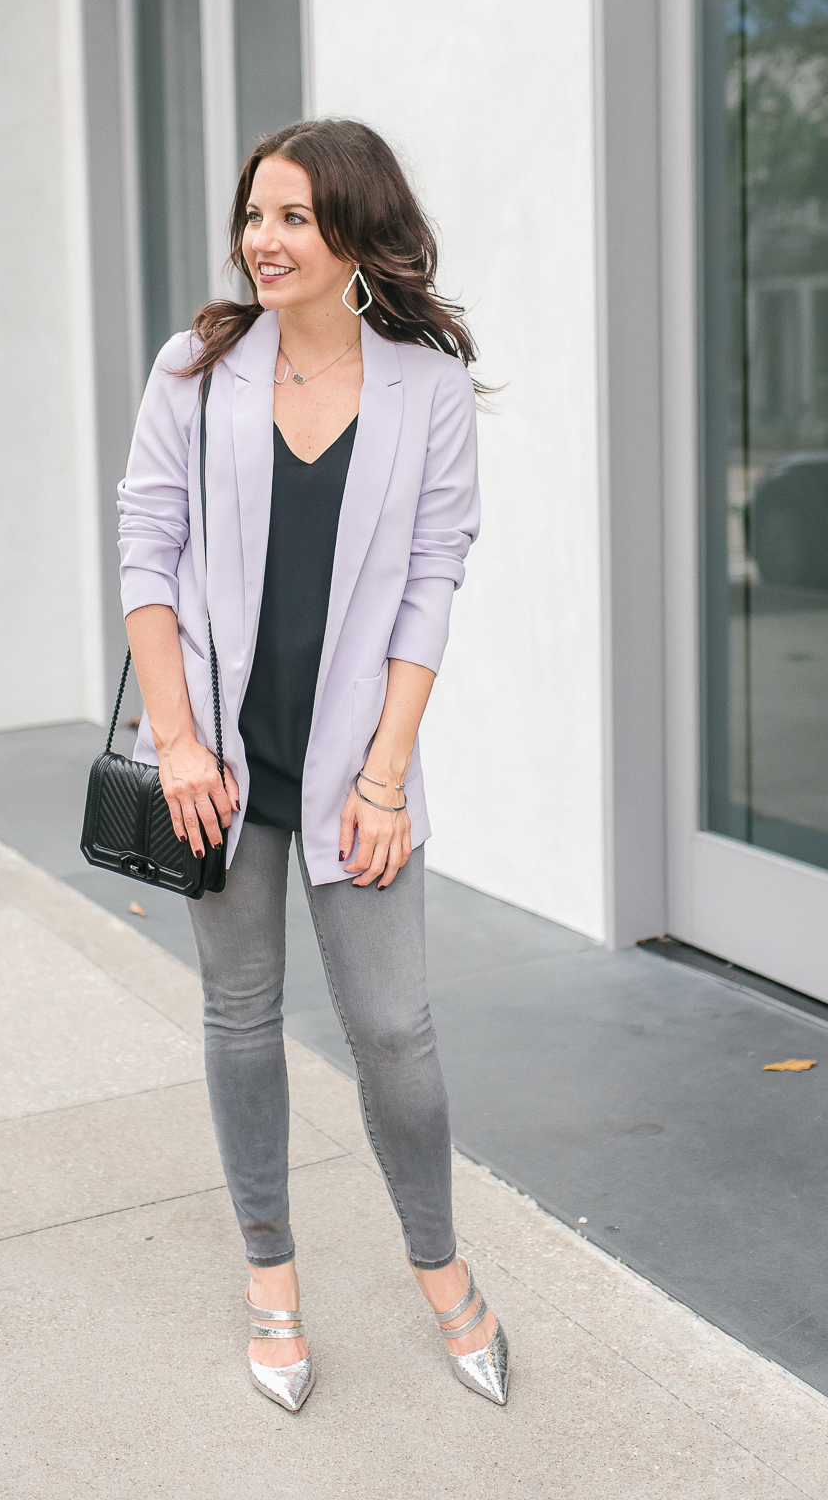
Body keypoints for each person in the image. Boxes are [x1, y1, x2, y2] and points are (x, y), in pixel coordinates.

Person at [119, 118, 506, 1411]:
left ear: (352, 232)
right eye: (253, 215)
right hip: (217, 769)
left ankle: (439, 1267)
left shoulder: (428, 387)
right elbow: (146, 554)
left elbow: (431, 579)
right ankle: (270, 1276)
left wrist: (387, 774)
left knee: (394, 1031)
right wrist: (176, 742)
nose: (260, 241)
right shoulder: (198, 366)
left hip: (350, 768)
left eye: (290, 216)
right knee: (240, 1019)